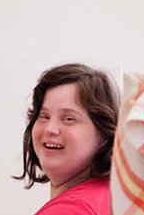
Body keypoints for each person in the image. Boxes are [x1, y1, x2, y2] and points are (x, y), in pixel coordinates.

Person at [14, 63, 119, 215]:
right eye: (44, 116)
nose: (50, 129)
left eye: (69, 119)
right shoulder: (111, 197)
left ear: (105, 134)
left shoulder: (71, 209)